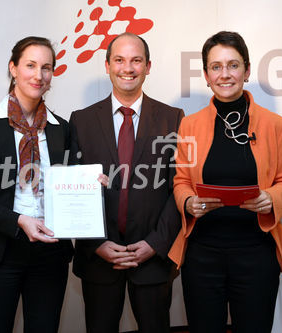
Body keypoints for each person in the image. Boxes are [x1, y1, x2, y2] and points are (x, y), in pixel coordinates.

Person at [168, 31, 282, 333]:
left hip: (256, 253)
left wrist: (271, 197)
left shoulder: (276, 125)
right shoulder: (190, 124)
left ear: (247, 70)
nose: (224, 74)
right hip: (202, 254)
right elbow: (181, 181)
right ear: (205, 74)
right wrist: (188, 202)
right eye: (216, 67)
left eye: (233, 65)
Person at [70, 32, 184, 333]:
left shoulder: (174, 119)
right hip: (99, 259)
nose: (128, 68)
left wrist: (155, 244)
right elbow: (71, 190)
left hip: (152, 259)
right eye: (119, 60)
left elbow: (180, 188)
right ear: (107, 65)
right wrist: (96, 244)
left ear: (148, 66)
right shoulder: (80, 121)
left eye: (136, 60)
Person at [0, 36, 74, 333]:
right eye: (30, 65)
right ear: (13, 68)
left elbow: (68, 184)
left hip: (50, 253)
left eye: (46, 67)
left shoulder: (61, 128)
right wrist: (19, 220)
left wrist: (88, 183)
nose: (39, 75)